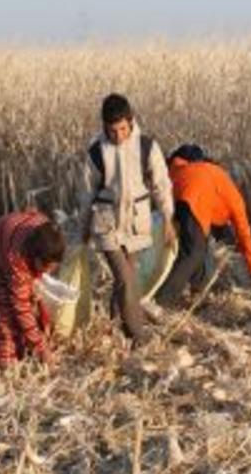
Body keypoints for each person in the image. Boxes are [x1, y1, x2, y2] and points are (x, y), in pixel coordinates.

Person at [80, 93, 175, 347]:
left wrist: (167, 219)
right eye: (112, 131)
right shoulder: (96, 152)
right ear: (104, 126)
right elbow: (86, 192)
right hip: (107, 222)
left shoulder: (147, 147)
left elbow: (162, 185)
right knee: (125, 279)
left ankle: (113, 327)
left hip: (135, 223)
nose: (118, 136)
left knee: (126, 279)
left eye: (123, 129)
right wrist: (84, 227)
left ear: (131, 121)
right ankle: (138, 336)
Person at [156, 145, 251, 307]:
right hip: (194, 198)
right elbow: (245, 236)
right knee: (194, 253)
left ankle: (197, 293)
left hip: (174, 195)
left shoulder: (200, 170)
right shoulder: (236, 202)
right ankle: (162, 301)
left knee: (195, 247)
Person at [0, 210, 65, 368]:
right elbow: (21, 308)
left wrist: (34, 286)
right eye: (45, 267)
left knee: (32, 301)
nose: (48, 272)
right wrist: (41, 349)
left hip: (8, 239)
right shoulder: (16, 258)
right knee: (2, 308)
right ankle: (5, 358)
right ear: (35, 257)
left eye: (52, 268)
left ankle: (23, 347)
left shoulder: (47, 234)